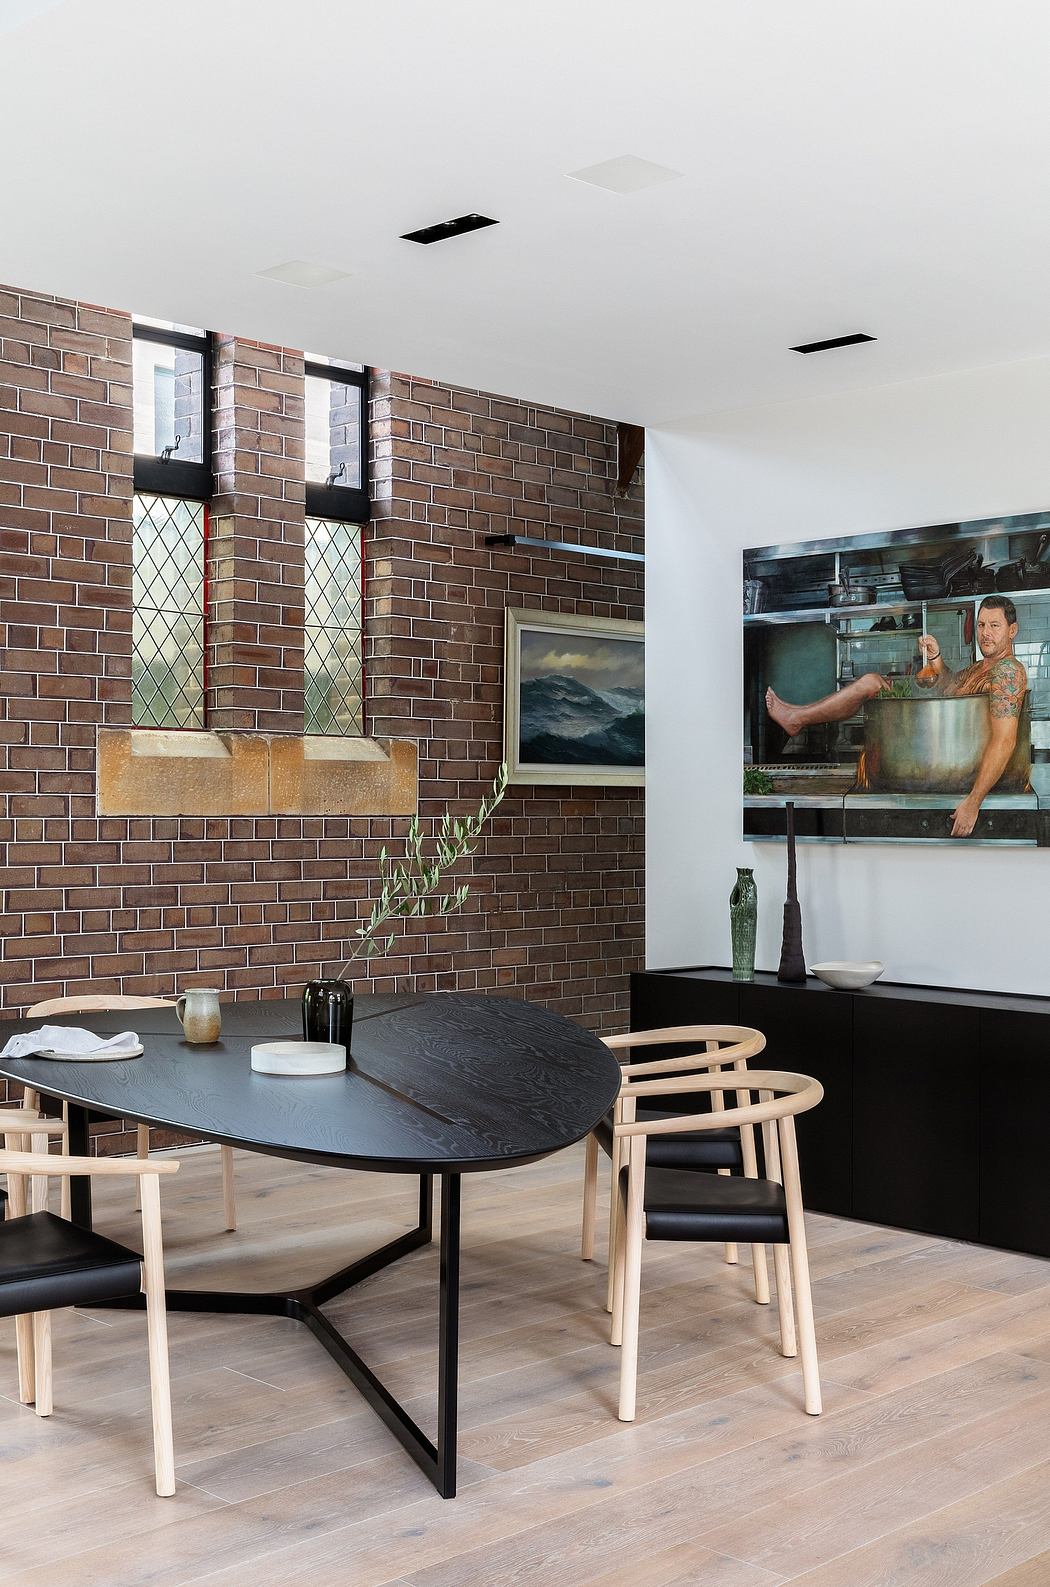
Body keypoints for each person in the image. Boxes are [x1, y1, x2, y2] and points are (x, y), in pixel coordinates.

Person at [765, 595, 1028, 838]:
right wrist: (936, 657)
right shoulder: (981, 667)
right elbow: (949, 688)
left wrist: (974, 801)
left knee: (872, 683)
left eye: (994, 626)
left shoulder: (1007, 672)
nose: (985, 633)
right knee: (871, 683)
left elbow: (1004, 741)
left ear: (1012, 631)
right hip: (944, 761)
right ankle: (797, 718)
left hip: (962, 772)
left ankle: (796, 719)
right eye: (981, 625)